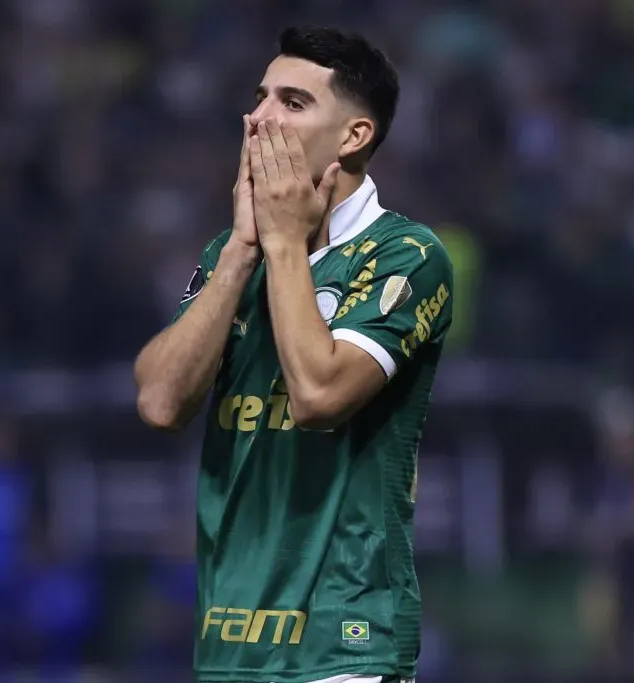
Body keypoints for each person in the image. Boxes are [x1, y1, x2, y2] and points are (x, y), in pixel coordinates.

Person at [134, 26, 453, 683]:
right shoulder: (230, 254)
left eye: (293, 102)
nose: (259, 117)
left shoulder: (407, 255)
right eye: (260, 97)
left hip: (344, 643)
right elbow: (160, 401)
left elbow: (317, 397)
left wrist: (282, 244)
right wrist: (240, 252)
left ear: (354, 136)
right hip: (229, 640)